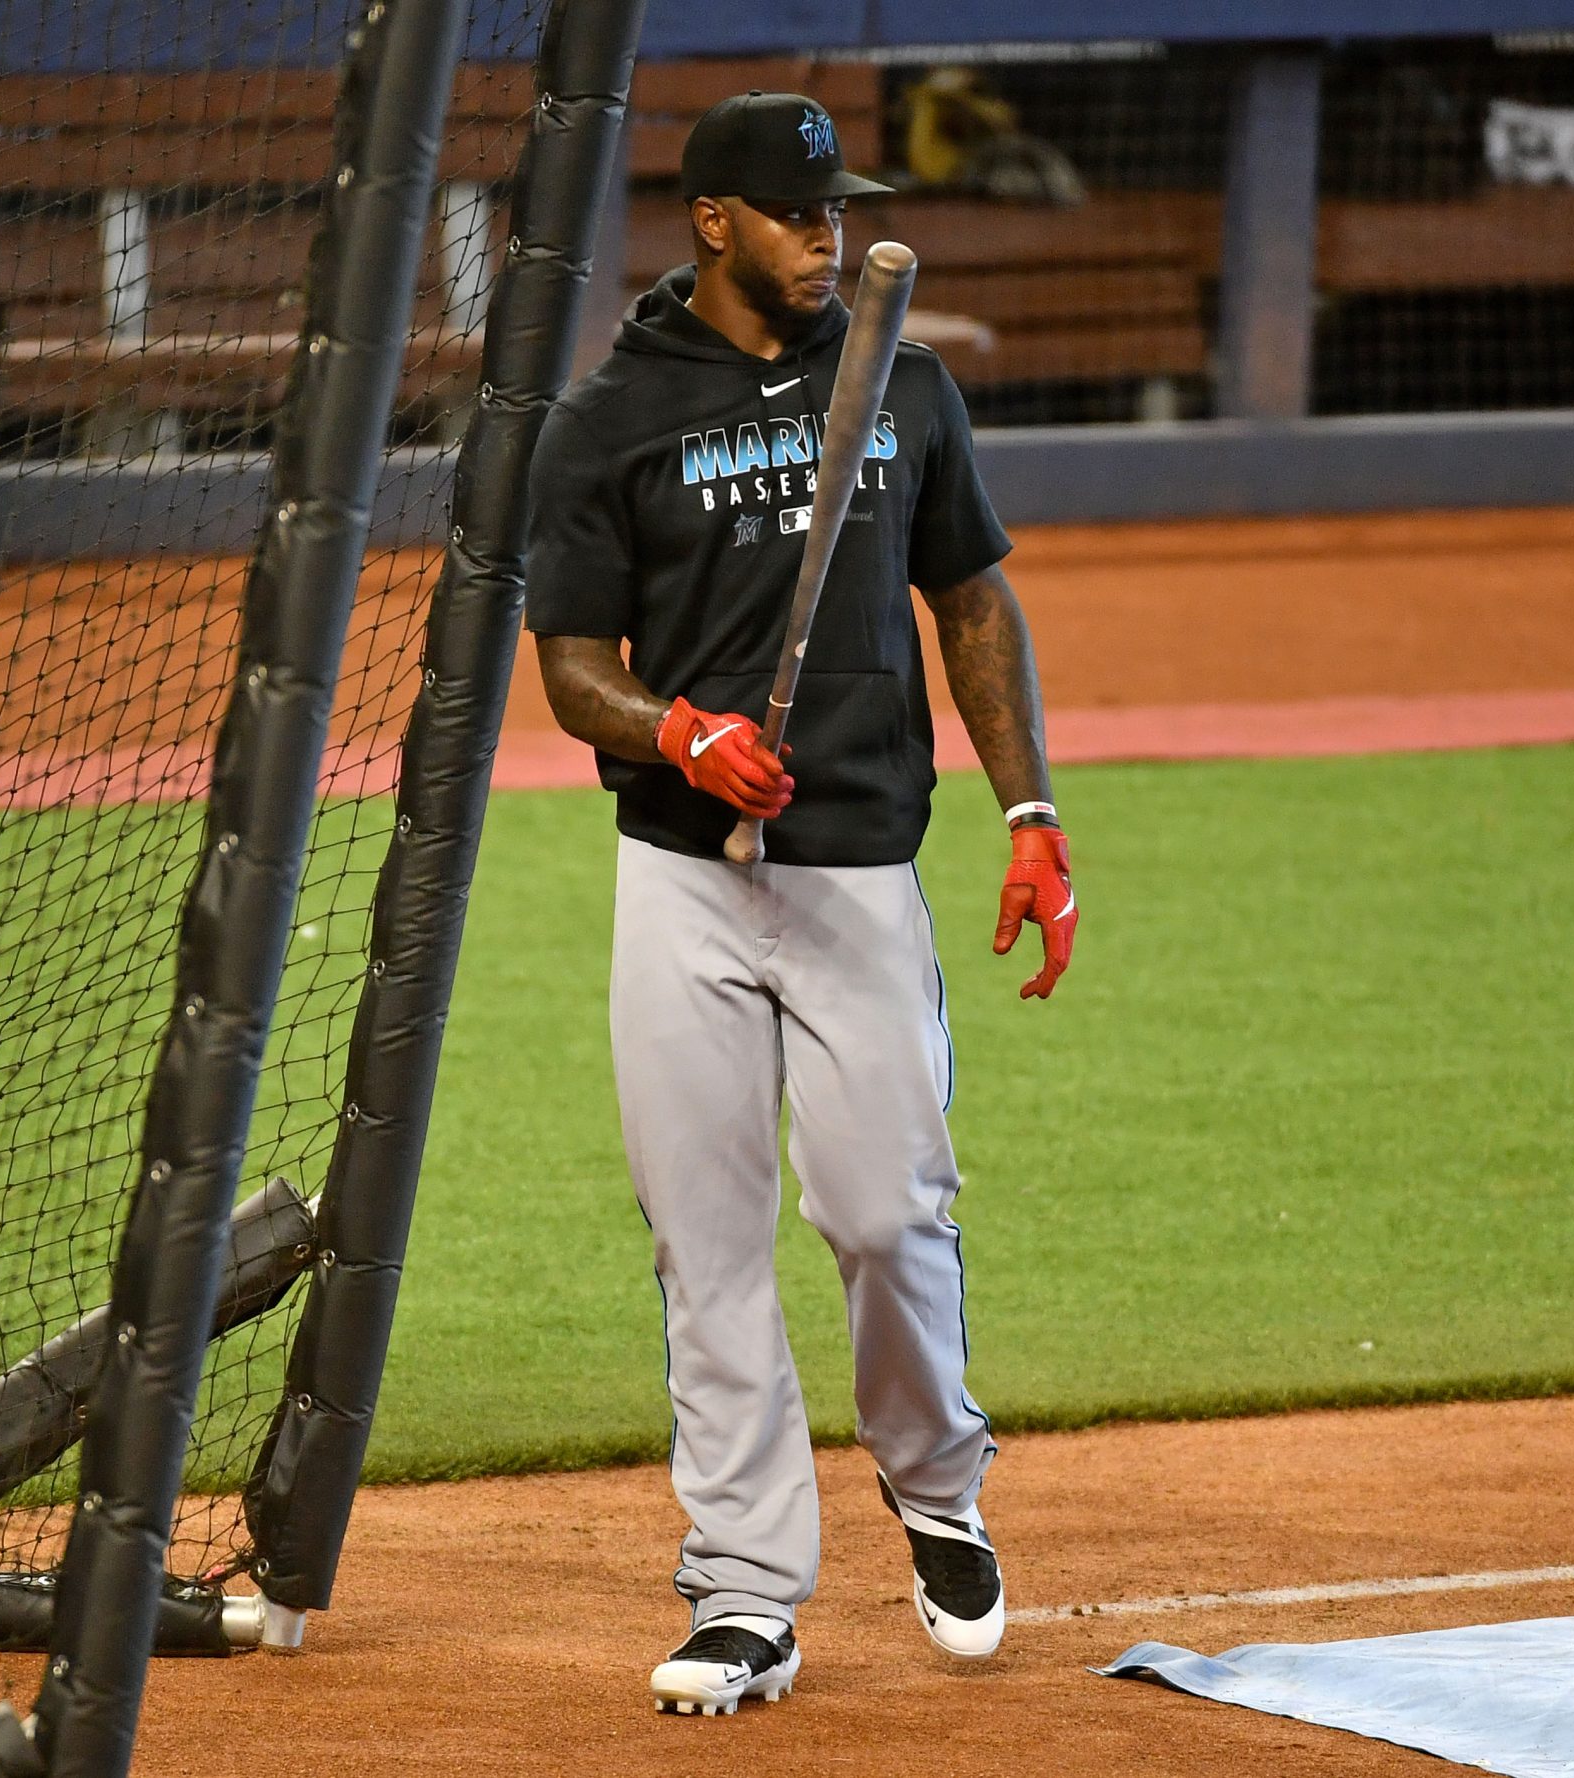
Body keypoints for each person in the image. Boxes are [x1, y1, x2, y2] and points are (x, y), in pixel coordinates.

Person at [522, 90, 1076, 1718]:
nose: (827, 239)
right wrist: (675, 727)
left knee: (887, 1214)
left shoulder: (896, 379)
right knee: (708, 1245)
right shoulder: (607, 420)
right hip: (681, 882)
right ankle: (746, 1587)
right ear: (711, 221)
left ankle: (936, 1479)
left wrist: (1028, 808)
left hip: (855, 876)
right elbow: (569, 666)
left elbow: (969, 595)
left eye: (839, 214)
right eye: (797, 214)